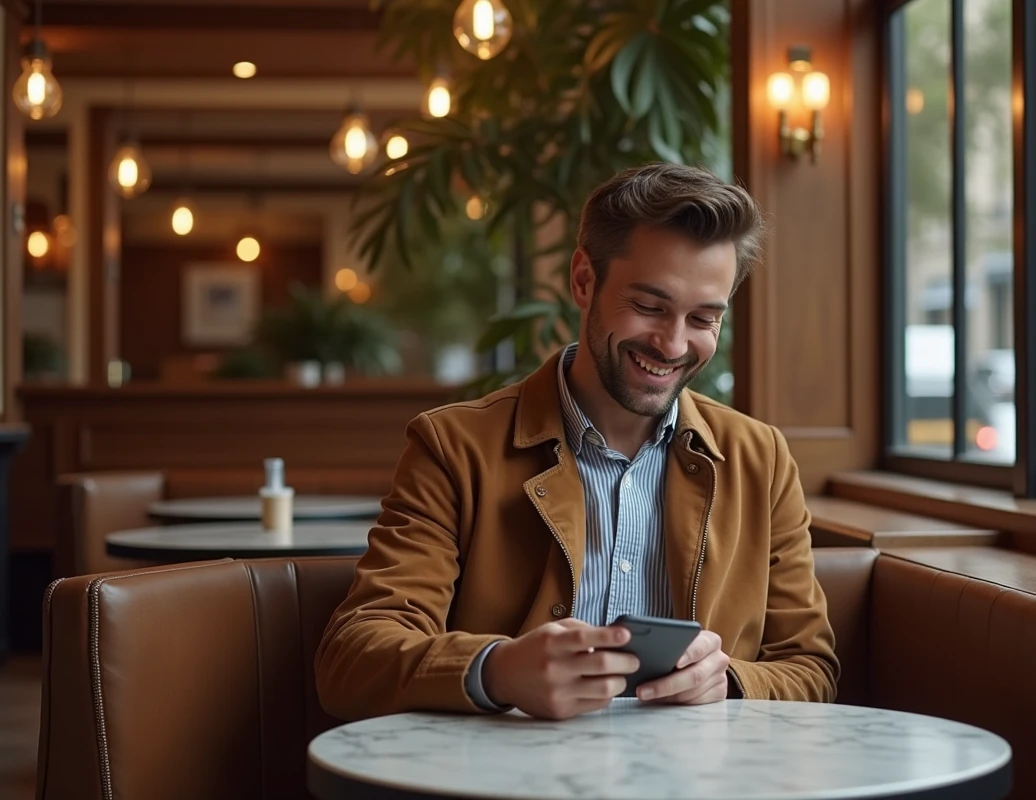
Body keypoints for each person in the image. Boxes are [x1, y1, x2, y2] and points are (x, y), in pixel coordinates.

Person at [315, 162, 839, 722]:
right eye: (649, 307)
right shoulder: (452, 447)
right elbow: (352, 658)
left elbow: (809, 667)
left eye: (703, 318)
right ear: (583, 281)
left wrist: (730, 680)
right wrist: (498, 669)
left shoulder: (762, 460)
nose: (673, 343)